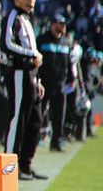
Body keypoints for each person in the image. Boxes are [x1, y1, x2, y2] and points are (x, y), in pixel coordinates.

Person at [0, 0, 47, 181]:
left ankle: (25, 165)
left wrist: (37, 80)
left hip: (30, 75)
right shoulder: (12, 16)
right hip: (18, 72)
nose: (31, 0)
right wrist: (31, 55)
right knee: (17, 118)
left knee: (35, 120)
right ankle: (9, 168)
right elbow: (6, 44)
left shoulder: (27, 19)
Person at [37, 14, 69, 151]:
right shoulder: (42, 40)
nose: (61, 27)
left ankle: (56, 142)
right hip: (44, 84)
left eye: (62, 24)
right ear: (52, 25)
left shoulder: (66, 42)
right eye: (58, 24)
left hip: (60, 84)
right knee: (38, 114)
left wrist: (71, 78)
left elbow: (69, 64)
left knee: (59, 116)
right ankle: (33, 139)